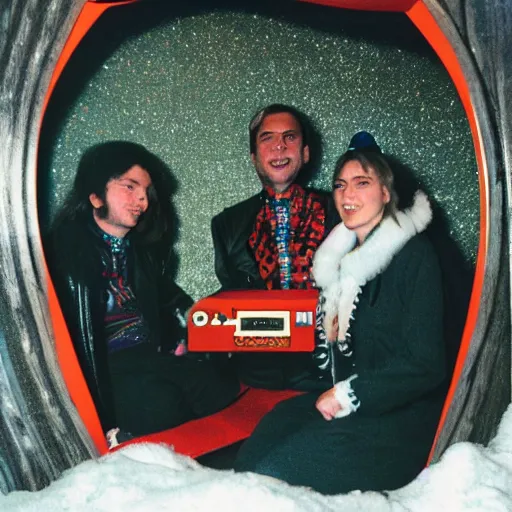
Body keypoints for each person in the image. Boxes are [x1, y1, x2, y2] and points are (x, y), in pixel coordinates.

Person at [233, 132, 447, 494]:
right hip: (353, 403)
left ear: (385, 193)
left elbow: (426, 365)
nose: (348, 195)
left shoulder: (415, 256)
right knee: (268, 435)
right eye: (340, 185)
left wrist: (348, 394)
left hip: (399, 419)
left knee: (273, 471)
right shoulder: (343, 267)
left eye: (362, 183)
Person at [46, 141, 239, 442]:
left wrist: (183, 332)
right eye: (129, 187)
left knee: (218, 386)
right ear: (95, 195)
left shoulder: (143, 254)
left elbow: (168, 297)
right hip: (101, 366)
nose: (141, 200)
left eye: (145, 191)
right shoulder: (58, 253)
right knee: (161, 407)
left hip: (146, 355)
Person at [211, 104, 329, 390]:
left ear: (305, 153)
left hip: (330, 368)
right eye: (267, 138)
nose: (279, 146)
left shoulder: (339, 211)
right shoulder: (227, 224)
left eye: (290, 137)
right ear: (254, 157)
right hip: (259, 375)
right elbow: (232, 295)